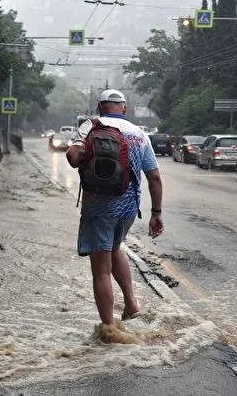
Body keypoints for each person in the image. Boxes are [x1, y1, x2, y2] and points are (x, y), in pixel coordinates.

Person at [66, 89, 164, 326]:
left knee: (100, 269)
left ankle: (108, 330)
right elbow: (154, 177)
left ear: (100, 106)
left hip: (99, 206)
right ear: (124, 108)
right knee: (115, 247)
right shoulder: (140, 134)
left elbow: (72, 157)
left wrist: (79, 148)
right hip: (129, 209)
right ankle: (131, 305)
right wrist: (156, 214)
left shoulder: (91, 125)